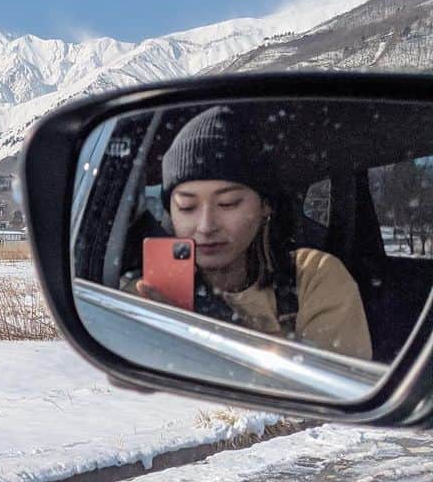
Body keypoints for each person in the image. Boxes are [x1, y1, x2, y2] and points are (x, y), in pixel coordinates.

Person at [132, 104, 373, 360]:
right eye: (187, 207)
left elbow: (332, 388)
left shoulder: (312, 275)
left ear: (265, 205)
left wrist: (203, 326)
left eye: (228, 203)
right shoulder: (152, 284)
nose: (206, 226)